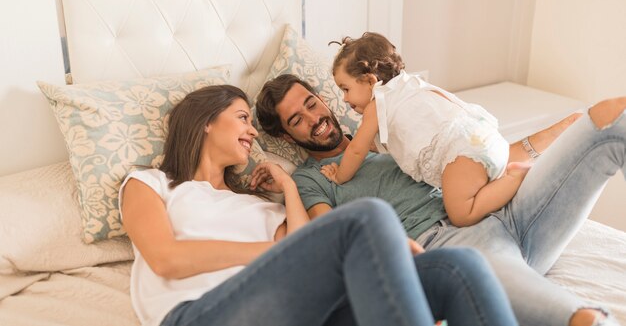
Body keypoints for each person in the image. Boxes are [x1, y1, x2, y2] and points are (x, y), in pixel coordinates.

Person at [119, 84, 519, 326]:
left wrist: (290, 188)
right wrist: (276, 252)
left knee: (456, 268)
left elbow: (303, 253)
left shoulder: (259, 204)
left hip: (288, 311)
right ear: (206, 120)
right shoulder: (151, 183)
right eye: (242, 118)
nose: (251, 132)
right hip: (198, 315)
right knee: (367, 217)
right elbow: (166, 258)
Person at [256, 74, 626, 326]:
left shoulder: (386, 126)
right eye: (297, 120)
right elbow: (332, 235)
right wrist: (287, 186)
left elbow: (479, 159)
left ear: (323, 99)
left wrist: (560, 131)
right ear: (287, 138)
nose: (314, 118)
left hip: (501, 206)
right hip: (451, 241)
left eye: (311, 103)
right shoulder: (310, 179)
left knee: (609, 119)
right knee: (581, 318)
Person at [319, 32, 531, 227]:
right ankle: (507, 176)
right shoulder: (409, 85)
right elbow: (386, 142)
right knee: (478, 191)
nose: (345, 99)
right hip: (481, 136)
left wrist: (340, 176)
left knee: (461, 214)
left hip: (460, 153)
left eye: (346, 89)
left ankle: (515, 177)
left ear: (370, 81)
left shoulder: (377, 104)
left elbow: (357, 149)